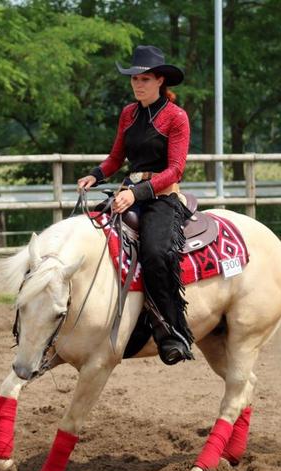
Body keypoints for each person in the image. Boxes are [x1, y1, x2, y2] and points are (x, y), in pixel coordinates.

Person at [77, 45, 193, 365]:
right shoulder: (128, 114)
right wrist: (95, 175)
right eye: (134, 79)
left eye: (144, 79)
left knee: (157, 252)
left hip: (162, 196)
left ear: (159, 81)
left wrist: (138, 193)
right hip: (128, 190)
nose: (137, 84)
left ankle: (171, 331)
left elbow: (175, 169)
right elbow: (117, 157)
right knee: (89, 236)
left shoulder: (176, 117)